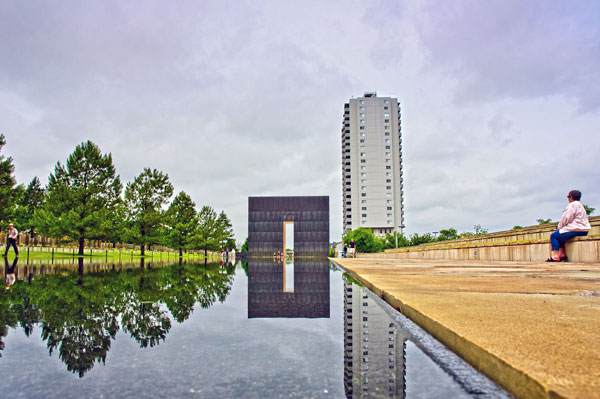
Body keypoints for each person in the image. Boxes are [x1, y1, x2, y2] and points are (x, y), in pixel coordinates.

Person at [547, 190, 591, 262]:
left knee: (554, 236)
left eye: (568, 197)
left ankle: (555, 256)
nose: (568, 199)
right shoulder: (581, 206)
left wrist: (559, 227)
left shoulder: (572, 205)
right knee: (560, 235)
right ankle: (562, 254)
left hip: (576, 229)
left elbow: (566, 218)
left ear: (571, 197)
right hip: (584, 230)